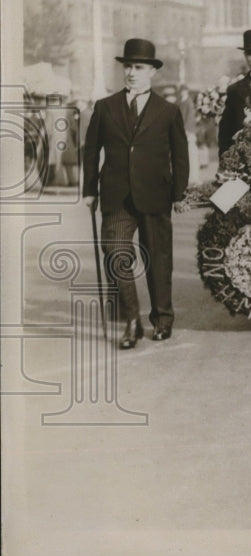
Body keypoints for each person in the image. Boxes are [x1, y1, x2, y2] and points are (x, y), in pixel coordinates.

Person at [82, 38, 189, 349]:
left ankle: (163, 318)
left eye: (138, 67)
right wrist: (90, 190)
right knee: (115, 253)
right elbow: (91, 152)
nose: (131, 73)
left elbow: (180, 156)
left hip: (156, 194)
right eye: (128, 67)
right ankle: (132, 320)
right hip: (116, 196)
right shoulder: (105, 107)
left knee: (158, 259)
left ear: (151, 72)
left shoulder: (168, 111)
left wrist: (180, 193)